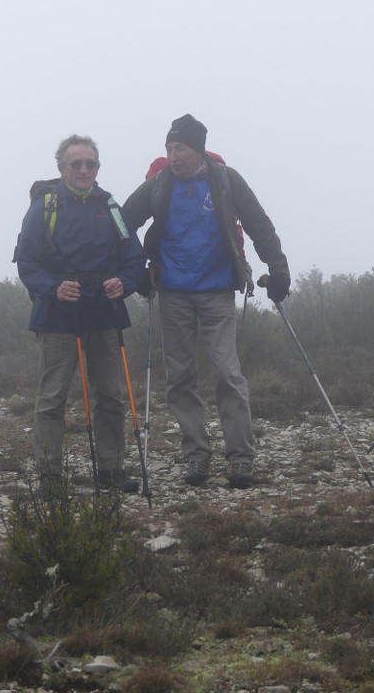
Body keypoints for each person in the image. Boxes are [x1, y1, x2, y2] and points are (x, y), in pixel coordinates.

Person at [123, 114, 291, 489]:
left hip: (217, 289)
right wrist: (135, 268)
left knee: (227, 373)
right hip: (173, 292)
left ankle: (241, 458)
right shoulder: (159, 183)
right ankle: (196, 455)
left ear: (198, 149)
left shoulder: (226, 181)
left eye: (179, 148)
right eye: (168, 148)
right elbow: (122, 221)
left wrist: (278, 270)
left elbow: (259, 225)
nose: (172, 155)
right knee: (179, 377)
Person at [16, 134, 146, 497]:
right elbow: (26, 262)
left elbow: (134, 260)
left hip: (105, 311)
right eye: (77, 164)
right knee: (52, 397)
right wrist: (53, 288)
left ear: (97, 167)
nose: (84, 169)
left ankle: (111, 469)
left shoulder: (112, 207)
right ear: (62, 168)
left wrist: (125, 282)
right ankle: (49, 477)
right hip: (58, 314)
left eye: (91, 163)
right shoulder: (44, 207)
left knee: (111, 395)